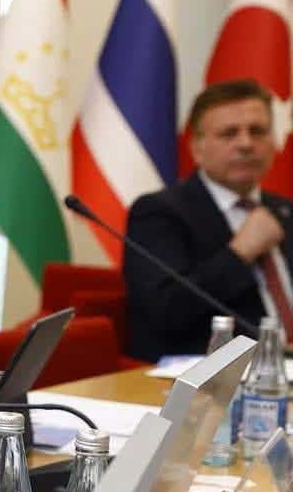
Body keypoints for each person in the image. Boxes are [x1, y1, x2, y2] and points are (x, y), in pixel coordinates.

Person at [124, 79, 293, 361]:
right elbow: (164, 311)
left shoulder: (285, 210)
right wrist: (239, 254)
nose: (246, 144)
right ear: (197, 149)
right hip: (215, 372)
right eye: (229, 134)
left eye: (257, 131)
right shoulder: (158, 213)